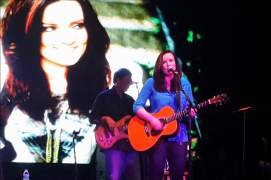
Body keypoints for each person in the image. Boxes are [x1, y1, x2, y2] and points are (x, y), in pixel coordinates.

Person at [0, 0, 111, 163]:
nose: (68, 39)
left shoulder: (100, 93)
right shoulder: (10, 95)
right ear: (26, 32)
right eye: (49, 28)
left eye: (77, 25)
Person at [133, 50, 197, 180]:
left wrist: (191, 113)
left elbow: (191, 108)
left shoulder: (184, 84)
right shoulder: (151, 83)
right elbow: (137, 106)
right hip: (157, 137)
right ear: (160, 66)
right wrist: (152, 120)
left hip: (180, 137)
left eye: (171, 61)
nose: (168, 64)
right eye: (164, 62)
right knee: (155, 175)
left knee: (178, 176)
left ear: (175, 64)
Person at [90, 68, 141, 180]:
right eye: (127, 81)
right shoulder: (103, 96)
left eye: (130, 81)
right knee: (114, 176)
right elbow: (92, 117)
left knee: (135, 177)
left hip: (129, 143)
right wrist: (106, 118)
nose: (129, 84)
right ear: (118, 79)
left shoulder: (130, 100)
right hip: (113, 144)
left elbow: (135, 120)